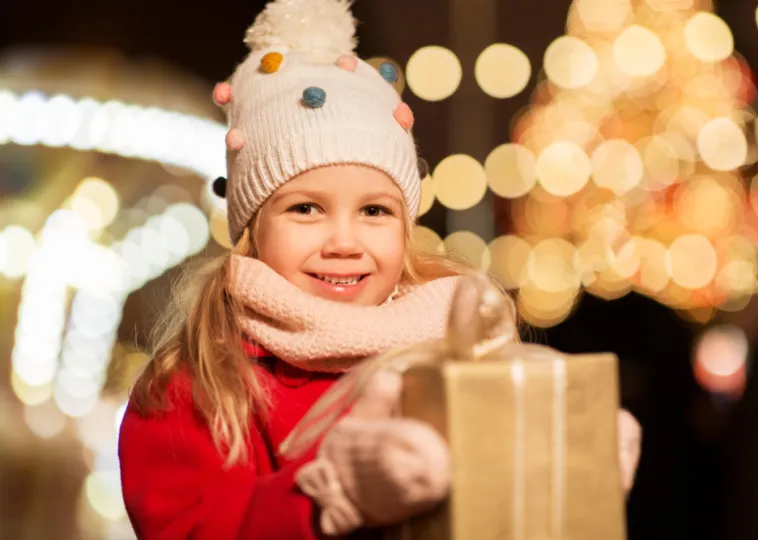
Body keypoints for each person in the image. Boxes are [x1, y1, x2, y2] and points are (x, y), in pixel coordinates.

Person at [118, 1, 641, 538]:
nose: (344, 242)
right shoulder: (197, 385)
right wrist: (331, 495)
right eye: (305, 208)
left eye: (374, 211)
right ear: (252, 229)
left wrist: (571, 472)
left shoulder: (462, 352)